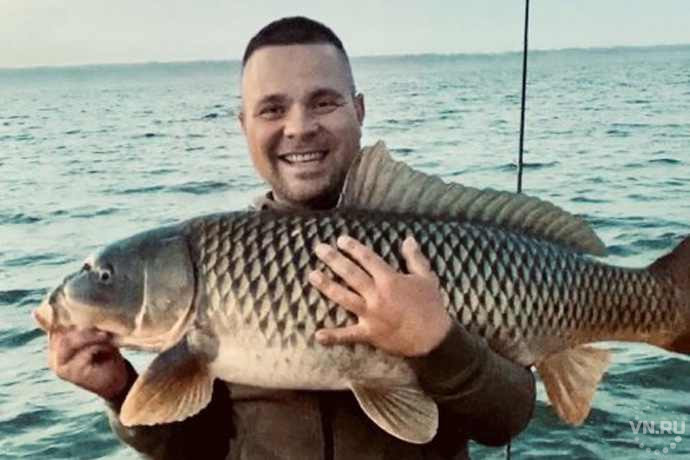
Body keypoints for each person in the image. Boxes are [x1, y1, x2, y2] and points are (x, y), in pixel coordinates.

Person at [47, 16, 535, 459]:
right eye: (272, 109)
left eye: (323, 102)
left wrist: (438, 343)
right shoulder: (217, 270)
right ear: (244, 125)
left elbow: (504, 421)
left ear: (359, 110)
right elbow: (199, 448)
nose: (299, 127)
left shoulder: (433, 235)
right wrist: (119, 389)